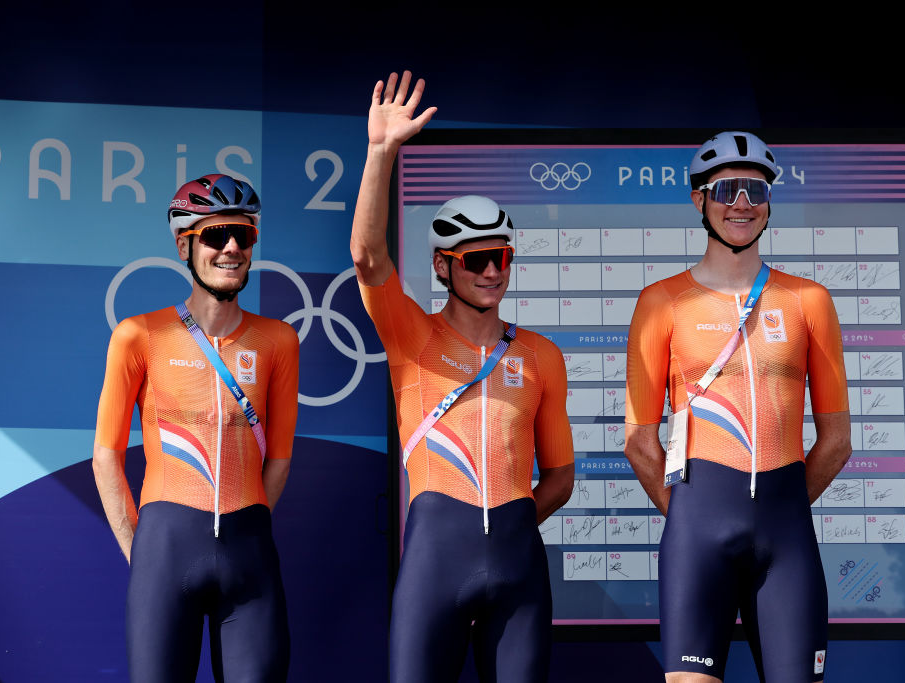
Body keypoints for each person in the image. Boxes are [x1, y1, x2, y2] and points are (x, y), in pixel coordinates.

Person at [350, 71, 575, 683]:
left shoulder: (541, 354)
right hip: (434, 563)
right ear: (443, 267)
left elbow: (559, 478)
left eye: (501, 257)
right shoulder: (411, 335)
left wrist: (507, 521)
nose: (492, 271)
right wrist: (380, 152)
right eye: (476, 259)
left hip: (518, 565)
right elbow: (369, 259)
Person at [624, 132, 852, 683]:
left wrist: (782, 502)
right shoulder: (661, 302)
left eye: (755, 190)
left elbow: (837, 440)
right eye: (726, 189)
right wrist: (688, 514)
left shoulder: (809, 300)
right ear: (699, 200)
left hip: (786, 536)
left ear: (770, 201)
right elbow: (639, 439)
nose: (741, 204)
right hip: (698, 531)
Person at [92, 173, 299, 682]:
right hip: (164, 550)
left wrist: (241, 522)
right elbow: (106, 456)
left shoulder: (278, 341)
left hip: (248, 551)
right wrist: (143, 552)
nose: (231, 247)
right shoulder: (139, 335)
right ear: (185, 245)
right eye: (214, 235)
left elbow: (279, 459)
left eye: (243, 235)